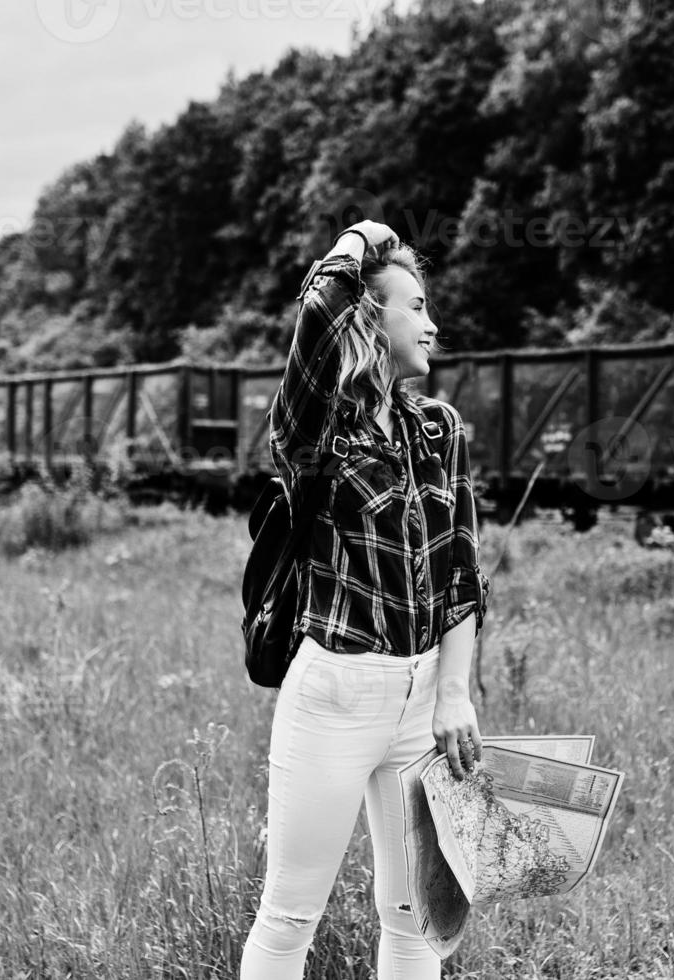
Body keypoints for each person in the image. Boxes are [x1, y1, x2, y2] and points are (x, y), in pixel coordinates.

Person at [240, 219, 489, 980]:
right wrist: (360, 236)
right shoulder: (318, 431)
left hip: (422, 706)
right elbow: (318, 312)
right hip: (335, 697)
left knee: (414, 917)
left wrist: (454, 694)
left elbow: (462, 578)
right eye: (413, 305)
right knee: (289, 917)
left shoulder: (439, 430)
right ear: (370, 318)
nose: (432, 323)